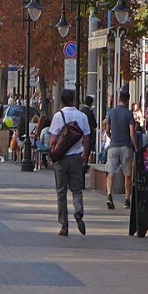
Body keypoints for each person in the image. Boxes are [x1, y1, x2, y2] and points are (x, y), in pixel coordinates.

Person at [50, 89, 91, 236]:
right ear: (73, 100)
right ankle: (78, 211)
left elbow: (53, 139)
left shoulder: (58, 116)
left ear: (61, 101)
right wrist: (85, 155)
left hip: (61, 159)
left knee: (61, 192)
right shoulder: (82, 116)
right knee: (77, 189)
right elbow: (87, 138)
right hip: (76, 158)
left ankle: (64, 225)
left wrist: (53, 152)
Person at [105, 88, 138, 210]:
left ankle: (109, 195)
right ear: (127, 101)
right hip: (125, 147)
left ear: (119, 99)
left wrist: (112, 137)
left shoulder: (112, 112)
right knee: (128, 174)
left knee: (111, 172)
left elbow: (107, 130)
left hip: (113, 146)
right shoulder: (129, 114)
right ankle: (126, 200)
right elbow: (132, 133)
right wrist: (136, 147)